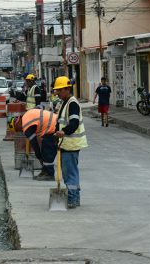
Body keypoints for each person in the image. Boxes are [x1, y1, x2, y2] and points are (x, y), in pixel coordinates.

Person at [53, 76, 88, 209]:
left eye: (60, 90)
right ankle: (75, 197)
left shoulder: (72, 103)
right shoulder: (64, 102)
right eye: (57, 91)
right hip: (65, 144)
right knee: (71, 172)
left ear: (67, 89)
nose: (57, 93)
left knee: (70, 174)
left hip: (71, 144)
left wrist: (64, 132)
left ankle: (73, 199)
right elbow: (60, 122)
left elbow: (74, 123)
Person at [9, 108, 58, 181]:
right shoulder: (26, 116)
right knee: (45, 150)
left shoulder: (26, 125)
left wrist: (39, 156)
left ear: (17, 123)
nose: (20, 131)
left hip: (54, 127)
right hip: (53, 124)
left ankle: (50, 174)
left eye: (17, 129)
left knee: (47, 153)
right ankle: (45, 172)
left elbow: (34, 143)